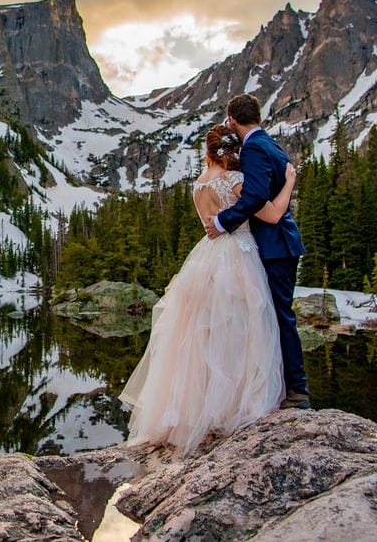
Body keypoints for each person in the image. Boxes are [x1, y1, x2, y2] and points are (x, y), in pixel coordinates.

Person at [120, 123, 296, 454]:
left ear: (209, 150)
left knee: (201, 336)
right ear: (232, 150)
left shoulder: (198, 185)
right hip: (239, 257)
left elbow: (210, 225)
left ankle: (198, 412)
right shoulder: (237, 181)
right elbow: (272, 214)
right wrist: (288, 182)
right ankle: (237, 408)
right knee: (244, 331)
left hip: (207, 258)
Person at [206, 93, 310, 411]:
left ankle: (297, 392)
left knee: (280, 316)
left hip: (275, 244)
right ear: (259, 118)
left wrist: (222, 222)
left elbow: (253, 197)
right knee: (275, 316)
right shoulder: (269, 144)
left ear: (232, 121)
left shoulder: (252, 148)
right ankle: (283, 388)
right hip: (280, 243)